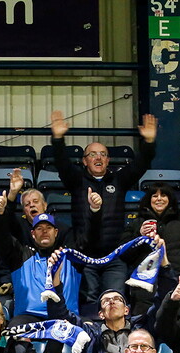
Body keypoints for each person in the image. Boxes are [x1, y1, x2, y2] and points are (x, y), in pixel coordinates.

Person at [46, 240, 178, 353]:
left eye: (117, 299)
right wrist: (55, 276)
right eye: (105, 301)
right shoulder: (91, 334)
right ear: (101, 314)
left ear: (126, 310)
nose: (111, 301)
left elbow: (162, 298)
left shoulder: (143, 328)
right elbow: (60, 315)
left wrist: (163, 261)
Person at [50, 110, 157, 301]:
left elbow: (141, 164)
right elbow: (62, 163)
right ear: (84, 161)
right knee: (89, 302)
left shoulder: (119, 180)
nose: (98, 158)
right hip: (84, 256)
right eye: (92, 154)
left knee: (115, 299)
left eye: (103, 154)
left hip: (114, 256)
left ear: (108, 160)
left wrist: (148, 143)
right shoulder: (76, 180)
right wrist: (58, 139)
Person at [0, 168, 102, 324]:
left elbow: (90, 239)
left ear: (56, 232)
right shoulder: (21, 256)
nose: (44, 232)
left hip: (66, 317)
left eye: (48, 228)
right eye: (39, 229)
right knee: (15, 334)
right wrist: (0, 213)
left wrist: (94, 211)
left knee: (90, 331)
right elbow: (1, 236)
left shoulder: (70, 256)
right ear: (32, 234)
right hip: (28, 317)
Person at [120, 166, 180, 312]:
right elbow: (123, 253)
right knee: (145, 332)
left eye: (163, 195)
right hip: (145, 290)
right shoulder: (137, 224)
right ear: (148, 200)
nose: (159, 199)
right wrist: (138, 236)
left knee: (178, 331)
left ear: (170, 199)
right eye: (154, 195)